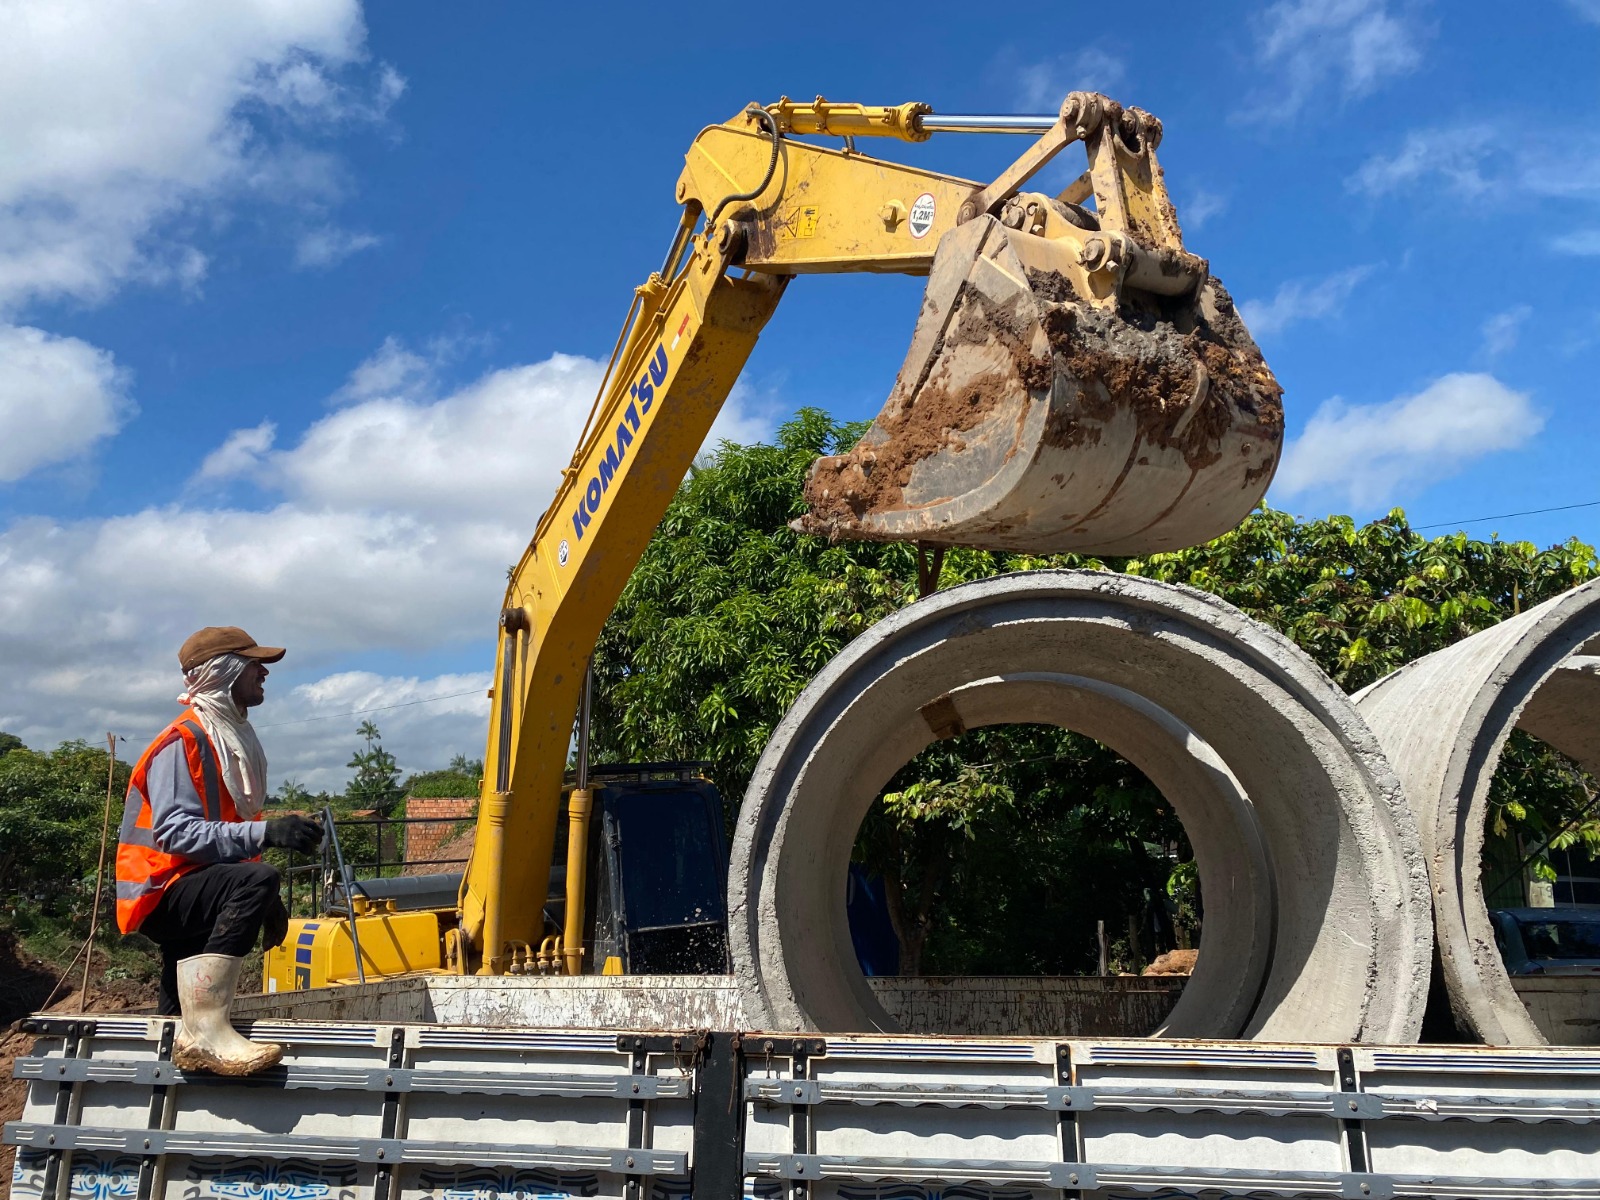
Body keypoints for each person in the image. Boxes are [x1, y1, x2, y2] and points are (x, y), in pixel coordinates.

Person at [115, 626, 322, 1076]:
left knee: (173, 1019)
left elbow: (221, 837)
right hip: (160, 890)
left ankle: (181, 1056)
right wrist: (265, 837)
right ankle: (208, 1031)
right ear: (223, 672)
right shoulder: (182, 742)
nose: (263, 671)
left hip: (189, 887)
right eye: (253, 663)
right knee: (258, 878)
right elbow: (175, 834)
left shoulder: (222, 739)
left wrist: (268, 900)